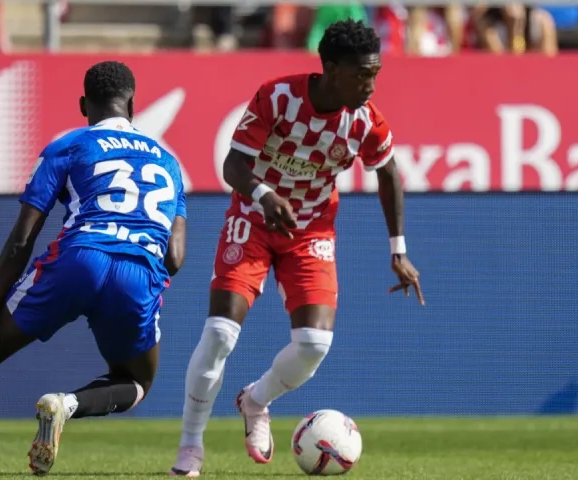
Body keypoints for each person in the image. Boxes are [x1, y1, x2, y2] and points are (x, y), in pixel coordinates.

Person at [0, 61, 188, 480]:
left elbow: (22, 239)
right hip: (137, 273)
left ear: (84, 104)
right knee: (137, 382)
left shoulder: (69, 145)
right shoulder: (169, 164)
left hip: (78, 259)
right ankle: (68, 405)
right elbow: (174, 257)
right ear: (133, 105)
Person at [169, 19, 423, 478]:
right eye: (360, 75)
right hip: (253, 218)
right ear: (329, 68)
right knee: (222, 333)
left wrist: (398, 249)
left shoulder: (365, 121)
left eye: (375, 74)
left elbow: (388, 172)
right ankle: (190, 447)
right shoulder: (278, 97)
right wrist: (265, 195)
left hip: (311, 232)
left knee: (313, 343)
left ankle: (255, 401)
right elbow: (234, 164)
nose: (370, 85)